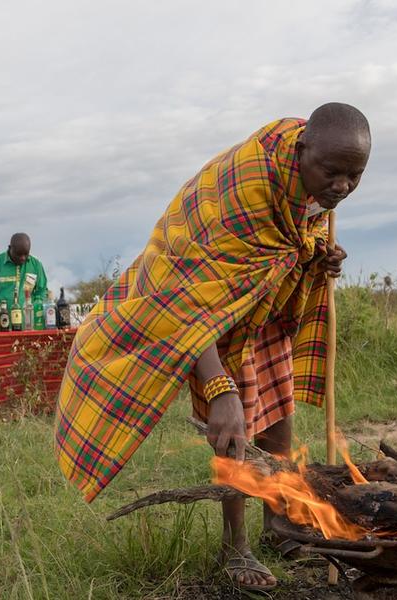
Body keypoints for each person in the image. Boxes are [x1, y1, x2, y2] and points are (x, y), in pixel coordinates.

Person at [55, 103, 371, 591]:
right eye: (333, 173)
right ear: (302, 150)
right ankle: (234, 547)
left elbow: (289, 237)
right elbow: (188, 297)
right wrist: (219, 387)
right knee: (235, 426)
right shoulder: (244, 187)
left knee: (279, 416)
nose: (343, 187)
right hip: (195, 298)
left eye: (356, 177)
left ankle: (279, 524)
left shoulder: (315, 182)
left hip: (260, 303)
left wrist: (318, 256)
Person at [0, 233, 48, 307]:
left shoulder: (36, 265)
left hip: (29, 317)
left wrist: (35, 309)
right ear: (10, 248)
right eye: (18, 254)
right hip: (2, 316)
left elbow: (42, 291)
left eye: (26, 254)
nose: (23, 258)